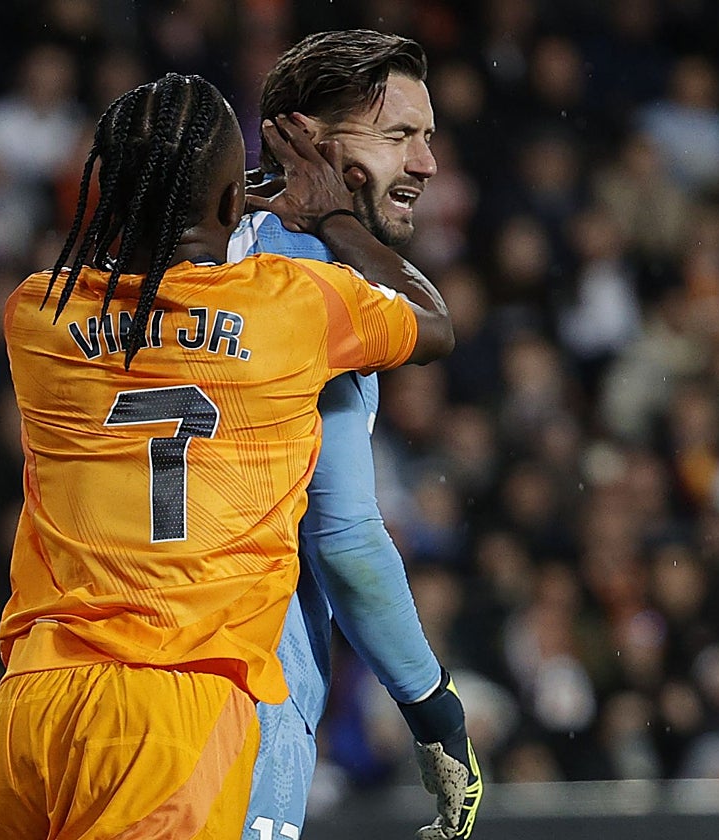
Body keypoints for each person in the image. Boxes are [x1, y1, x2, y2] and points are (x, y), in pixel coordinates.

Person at [0, 72, 453, 839]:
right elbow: (433, 322)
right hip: (175, 707)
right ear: (235, 201)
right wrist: (331, 218)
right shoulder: (294, 305)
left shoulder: (36, 315)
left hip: (35, 703)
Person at [228, 31, 483, 840]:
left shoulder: (190, 252)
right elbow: (339, 531)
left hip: (91, 678)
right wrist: (432, 705)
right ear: (306, 138)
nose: (426, 163)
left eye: (429, 136)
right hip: (241, 681)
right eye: (398, 135)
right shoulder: (318, 281)